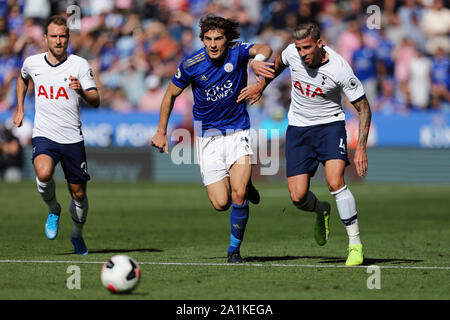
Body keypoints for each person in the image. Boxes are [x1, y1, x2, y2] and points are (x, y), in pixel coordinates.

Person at [238, 23, 372, 266]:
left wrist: (360, 147)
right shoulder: (291, 53)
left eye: (307, 48)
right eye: (299, 48)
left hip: (330, 127)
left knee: (335, 181)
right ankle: (321, 210)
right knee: (298, 197)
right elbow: (276, 67)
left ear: (319, 44)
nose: (302, 54)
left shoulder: (340, 69)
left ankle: (355, 245)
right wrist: (260, 86)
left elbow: (363, 108)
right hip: (299, 129)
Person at [151, 15, 274, 263]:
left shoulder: (238, 52)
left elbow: (265, 48)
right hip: (208, 138)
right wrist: (161, 132)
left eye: (218, 38)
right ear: (202, 40)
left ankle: (234, 250)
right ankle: (246, 185)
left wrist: (257, 62)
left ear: (227, 39)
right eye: (208, 39)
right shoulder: (190, 64)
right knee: (221, 204)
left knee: (238, 195)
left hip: (238, 131)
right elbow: (169, 96)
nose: (213, 44)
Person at [14, 16, 100, 255]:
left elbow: (96, 100)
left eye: (62, 36)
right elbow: (22, 79)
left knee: (79, 194)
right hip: (45, 134)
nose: (58, 40)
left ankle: (77, 235)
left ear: (68, 37)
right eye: (54, 36)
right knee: (43, 173)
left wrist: (81, 90)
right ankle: (53, 209)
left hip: (72, 138)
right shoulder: (32, 63)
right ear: (45, 38)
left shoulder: (79, 65)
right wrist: (20, 108)